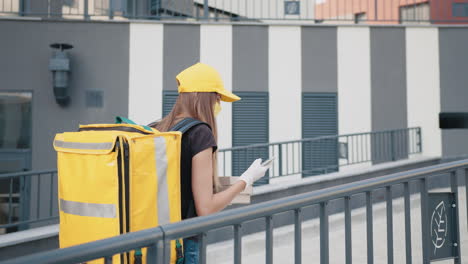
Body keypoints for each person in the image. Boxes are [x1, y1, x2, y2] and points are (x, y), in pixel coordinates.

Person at [151, 63, 272, 264]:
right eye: (217, 97)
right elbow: (205, 208)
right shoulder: (199, 134)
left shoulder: (156, 128)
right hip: (183, 242)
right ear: (202, 97)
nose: (218, 104)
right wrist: (247, 180)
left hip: (153, 238)